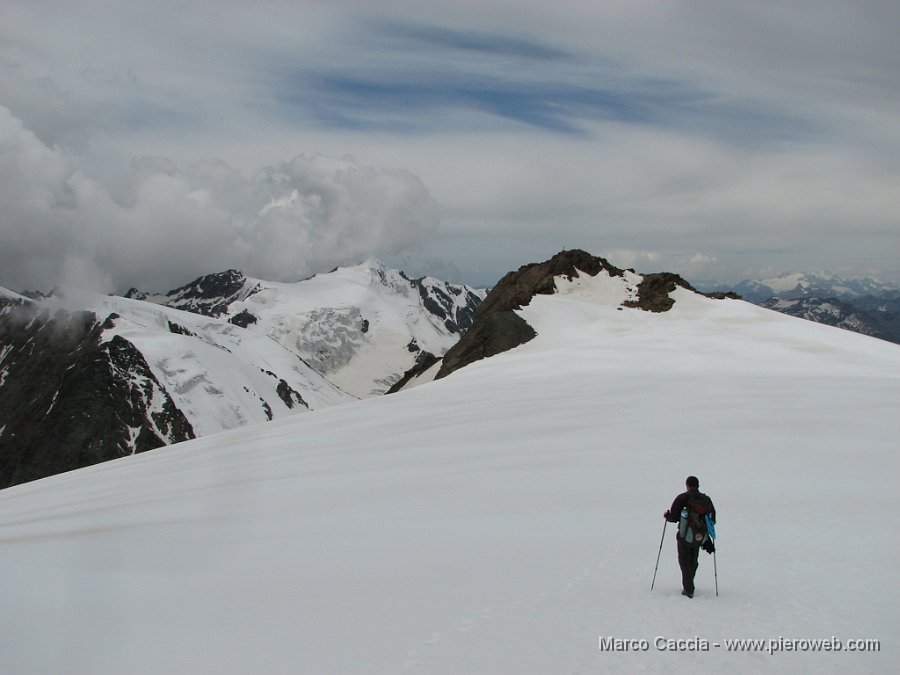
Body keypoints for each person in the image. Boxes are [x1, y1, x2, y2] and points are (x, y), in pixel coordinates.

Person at [664, 476, 716, 598]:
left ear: (687, 485)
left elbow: (674, 516)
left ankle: (688, 589)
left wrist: (667, 516)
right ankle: (689, 583)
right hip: (700, 537)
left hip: (685, 536)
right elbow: (712, 518)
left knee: (684, 561)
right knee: (693, 560)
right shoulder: (706, 499)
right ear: (698, 485)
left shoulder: (683, 498)